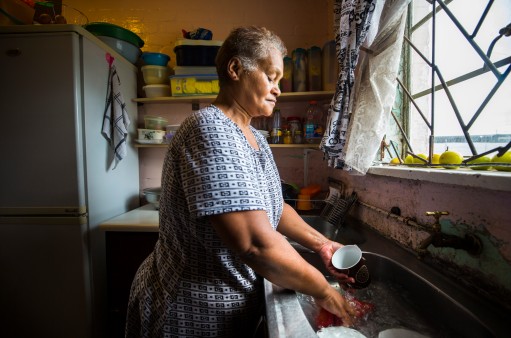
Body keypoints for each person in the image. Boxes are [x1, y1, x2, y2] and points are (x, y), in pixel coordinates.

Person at [126, 26, 356, 338]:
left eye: (279, 80)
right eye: (270, 76)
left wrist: (323, 244)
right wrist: (327, 293)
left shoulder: (253, 137)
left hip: (227, 309)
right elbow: (255, 244)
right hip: (191, 313)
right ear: (236, 69)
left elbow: (274, 208)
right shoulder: (211, 130)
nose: (278, 89)